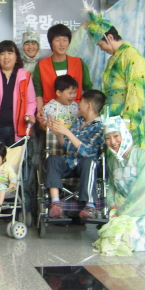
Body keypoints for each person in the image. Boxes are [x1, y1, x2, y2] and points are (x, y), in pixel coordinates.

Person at [93, 116, 145, 256]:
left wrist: (123, 211)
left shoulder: (143, 155)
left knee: (134, 240)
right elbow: (111, 186)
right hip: (121, 206)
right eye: (108, 138)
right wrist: (113, 205)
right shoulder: (112, 160)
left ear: (125, 134)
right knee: (113, 239)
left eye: (116, 136)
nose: (113, 142)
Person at [44, 90, 106, 220]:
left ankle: (89, 206)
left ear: (88, 106)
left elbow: (88, 152)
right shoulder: (79, 121)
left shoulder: (99, 127)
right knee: (53, 159)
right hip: (69, 162)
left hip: (85, 167)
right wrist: (59, 134)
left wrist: (67, 132)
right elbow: (65, 145)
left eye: (81, 101)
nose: (78, 104)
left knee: (89, 162)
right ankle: (55, 203)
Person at [88, 14, 145, 148]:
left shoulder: (132, 55)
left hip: (126, 121)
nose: (101, 49)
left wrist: (128, 121)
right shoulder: (113, 59)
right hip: (112, 120)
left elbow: (136, 90)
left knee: (130, 157)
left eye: (101, 44)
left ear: (109, 37)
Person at [0, 40, 36, 146]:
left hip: (18, 130)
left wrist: (29, 115)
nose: (6, 57)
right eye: (2, 54)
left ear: (16, 57)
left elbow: (31, 101)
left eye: (10, 53)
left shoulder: (25, 76)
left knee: (16, 157)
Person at [34, 23, 93, 123]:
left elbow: (88, 88)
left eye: (65, 40)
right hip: (51, 116)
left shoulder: (78, 63)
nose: (62, 44)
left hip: (76, 115)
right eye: (58, 40)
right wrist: (40, 110)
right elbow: (38, 92)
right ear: (50, 42)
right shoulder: (41, 65)